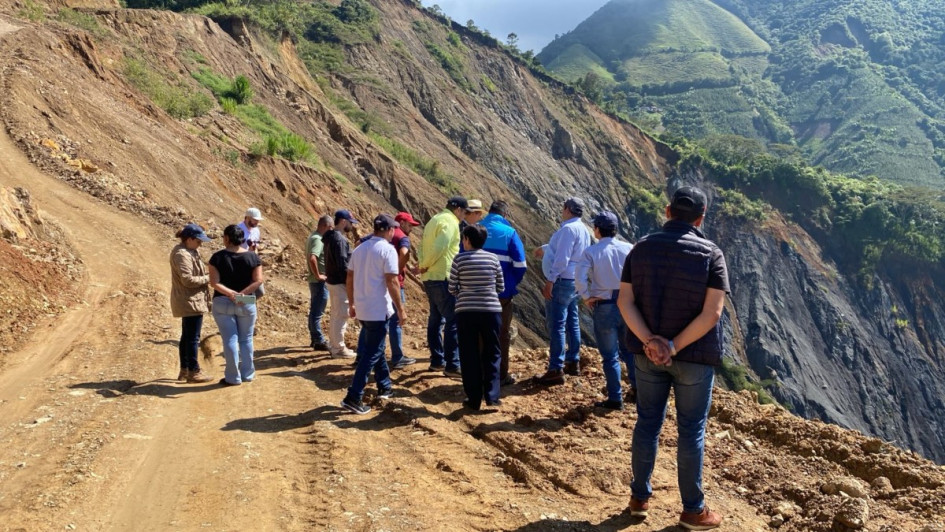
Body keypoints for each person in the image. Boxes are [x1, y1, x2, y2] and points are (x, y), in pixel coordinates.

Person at [617, 186, 729, 530]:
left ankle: (639, 499)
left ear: (667, 211)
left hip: (647, 355)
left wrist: (651, 342)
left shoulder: (641, 248)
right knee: (691, 430)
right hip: (694, 357)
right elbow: (712, 313)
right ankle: (693, 511)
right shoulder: (712, 255)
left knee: (647, 423)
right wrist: (674, 346)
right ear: (701, 217)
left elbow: (625, 302)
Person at [340, 214, 406, 415]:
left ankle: (384, 386)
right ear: (388, 230)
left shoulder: (360, 249)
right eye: (393, 228)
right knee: (372, 352)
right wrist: (401, 309)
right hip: (378, 309)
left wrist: (352, 303)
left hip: (362, 308)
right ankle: (354, 396)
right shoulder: (388, 250)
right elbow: (392, 281)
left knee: (375, 348)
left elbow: (349, 277)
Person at [575, 211, 635, 410]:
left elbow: (580, 277)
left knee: (610, 356)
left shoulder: (591, 252)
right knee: (630, 352)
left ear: (598, 230)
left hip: (604, 305)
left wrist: (586, 297)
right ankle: (638, 391)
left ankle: (615, 398)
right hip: (628, 305)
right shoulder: (629, 248)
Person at [536, 197, 592, 385]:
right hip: (574, 280)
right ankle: (572, 360)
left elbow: (562, 258)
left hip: (562, 280)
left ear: (567, 209)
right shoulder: (583, 229)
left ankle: (555, 368)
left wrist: (550, 280)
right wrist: (545, 249)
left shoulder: (568, 229)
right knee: (571, 320)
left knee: (557, 324)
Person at [450, 225, 505, 410]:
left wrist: (465, 293)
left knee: (468, 353)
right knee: (492, 352)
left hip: (466, 311)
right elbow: (500, 287)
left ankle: (473, 399)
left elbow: (452, 288)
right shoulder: (493, 259)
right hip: (491, 311)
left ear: (467, 239)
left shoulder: (459, 259)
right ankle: (492, 397)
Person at [418, 196, 467, 377]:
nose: (464, 217)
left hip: (430, 277)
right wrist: (426, 264)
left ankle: (437, 361)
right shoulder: (451, 222)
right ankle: (452, 365)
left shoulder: (434, 220)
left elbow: (421, 245)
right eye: (464, 212)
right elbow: (440, 247)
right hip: (443, 276)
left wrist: (423, 264)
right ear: (458, 210)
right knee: (453, 319)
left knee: (436, 319)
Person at [209, 224, 264, 386]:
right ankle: (248, 374)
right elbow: (258, 280)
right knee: (246, 339)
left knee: (230, 339)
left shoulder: (217, 258)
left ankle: (232, 378)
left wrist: (230, 294)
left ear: (227, 238)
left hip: (223, 300)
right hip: (246, 300)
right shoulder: (253, 257)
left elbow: (214, 282)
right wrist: (242, 294)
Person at [479, 200, 527, 386]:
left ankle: (479, 373)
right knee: (501, 333)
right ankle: (500, 375)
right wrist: (510, 283)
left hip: (476, 292)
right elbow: (521, 265)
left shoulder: (474, 230)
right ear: (505, 215)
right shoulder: (509, 233)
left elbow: (461, 257)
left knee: (479, 333)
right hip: (501, 293)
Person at [169, 223, 214, 384]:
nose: (201, 244)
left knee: (187, 336)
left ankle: (185, 369)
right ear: (189, 239)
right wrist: (209, 279)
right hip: (189, 300)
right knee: (193, 338)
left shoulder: (189, 251)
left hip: (191, 299)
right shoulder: (182, 254)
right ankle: (194, 371)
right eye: (199, 241)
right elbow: (187, 280)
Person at [387, 212, 421, 369]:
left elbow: (361, 242)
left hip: (381, 282)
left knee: (376, 321)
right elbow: (405, 254)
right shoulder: (402, 237)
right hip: (395, 282)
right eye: (410, 225)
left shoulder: (388, 234)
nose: (412, 228)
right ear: (400, 222)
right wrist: (397, 270)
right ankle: (397, 357)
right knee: (395, 321)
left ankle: (362, 354)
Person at [324, 209, 358, 359]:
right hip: (339, 282)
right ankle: (338, 348)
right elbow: (342, 265)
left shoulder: (330, 237)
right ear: (343, 221)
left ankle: (334, 345)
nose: (352, 226)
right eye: (350, 222)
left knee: (336, 314)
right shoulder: (339, 240)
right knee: (341, 315)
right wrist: (350, 283)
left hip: (332, 280)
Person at [306, 215, 333, 351]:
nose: (331, 230)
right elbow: (313, 258)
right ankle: (319, 340)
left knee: (314, 310)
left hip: (314, 280)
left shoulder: (312, 236)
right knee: (317, 312)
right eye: (330, 227)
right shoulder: (318, 239)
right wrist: (318, 275)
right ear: (324, 226)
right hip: (319, 281)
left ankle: (314, 338)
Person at [237, 207, 265, 298]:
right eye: (255, 220)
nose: (257, 222)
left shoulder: (256, 231)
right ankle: (243, 305)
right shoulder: (238, 230)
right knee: (242, 290)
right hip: (240, 264)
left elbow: (255, 246)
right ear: (247, 218)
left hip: (252, 263)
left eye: (258, 220)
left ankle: (247, 304)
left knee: (259, 292)